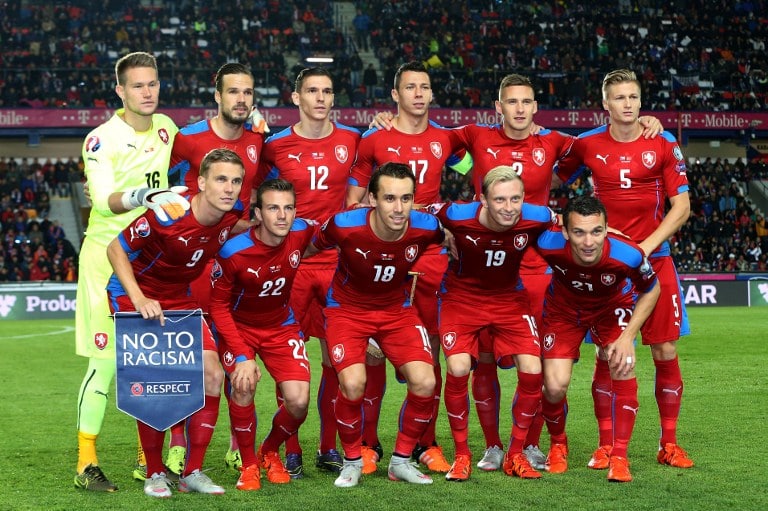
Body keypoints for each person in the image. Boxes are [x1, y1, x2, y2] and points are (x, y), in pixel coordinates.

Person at [556, 68, 694, 470]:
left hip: (656, 259)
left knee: (665, 350)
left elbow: (681, 207)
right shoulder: (586, 145)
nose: (629, 104)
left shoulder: (662, 141)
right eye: (620, 98)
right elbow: (549, 169)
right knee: (607, 352)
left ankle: (668, 443)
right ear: (605, 104)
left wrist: (644, 250)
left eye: (634, 97)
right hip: (606, 266)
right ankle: (604, 445)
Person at [73, 51, 186, 492]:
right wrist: (146, 196)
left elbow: (206, 150)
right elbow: (102, 200)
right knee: (105, 364)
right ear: (120, 90)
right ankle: (86, 462)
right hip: (105, 260)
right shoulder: (100, 139)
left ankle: (149, 457)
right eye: (137, 85)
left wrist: (250, 123)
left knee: (155, 363)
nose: (147, 92)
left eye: (153, 83)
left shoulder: (167, 128)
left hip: (153, 261)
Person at [346, 61, 465, 475]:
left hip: (429, 254)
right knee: (375, 350)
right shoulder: (374, 138)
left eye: (425, 87)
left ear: (432, 94)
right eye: (409, 87)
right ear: (395, 95)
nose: (418, 93)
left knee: (429, 348)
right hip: (384, 252)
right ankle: (368, 443)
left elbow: (478, 165)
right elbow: (352, 201)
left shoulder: (447, 142)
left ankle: (424, 443)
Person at [105, 148, 245, 498]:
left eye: (236, 181)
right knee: (151, 382)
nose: (229, 188)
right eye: (221, 179)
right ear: (200, 182)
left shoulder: (232, 216)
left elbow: (249, 223)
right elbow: (115, 249)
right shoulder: (168, 215)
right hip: (134, 293)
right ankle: (154, 472)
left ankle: (192, 472)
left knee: (212, 373)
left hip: (179, 297)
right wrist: (138, 300)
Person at [310, 163, 444, 488]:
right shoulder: (344, 225)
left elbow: (450, 235)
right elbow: (311, 246)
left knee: (425, 381)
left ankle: (400, 460)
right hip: (347, 310)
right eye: (389, 198)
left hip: (396, 310)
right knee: (353, 384)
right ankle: (353, 460)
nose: (398, 208)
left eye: (406, 198)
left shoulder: (427, 227)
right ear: (372, 199)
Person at [166, 62, 268, 475]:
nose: (241, 99)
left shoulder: (260, 141)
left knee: (234, 351)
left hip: (234, 261)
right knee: (185, 358)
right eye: (233, 92)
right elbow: (154, 182)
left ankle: (233, 444)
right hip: (188, 261)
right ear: (217, 96)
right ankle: (173, 441)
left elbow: (262, 192)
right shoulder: (187, 139)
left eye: (248, 92)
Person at [260, 67, 360, 477]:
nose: (320, 98)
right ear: (296, 97)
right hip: (293, 263)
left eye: (327, 91)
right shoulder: (275, 145)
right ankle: (292, 448)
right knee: (292, 357)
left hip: (338, 259)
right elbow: (256, 196)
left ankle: (327, 447)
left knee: (336, 360)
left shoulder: (353, 140)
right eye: (312, 91)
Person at [431, 167, 556, 481]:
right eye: (500, 200)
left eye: (515, 199)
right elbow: (417, 213)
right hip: (461, 298)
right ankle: (462, 455)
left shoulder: (537, 216)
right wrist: (439, 230)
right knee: (459, 368)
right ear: (482, 200)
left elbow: (569, 222)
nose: (509, 207)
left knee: (533, 370)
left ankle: (515, 453)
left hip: (509, 298)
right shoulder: (457, 214)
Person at [535, 195, 660, 482]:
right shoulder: (547, 243)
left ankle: (619, 456)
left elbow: (652, 289)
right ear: (565, 232)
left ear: (607, 229)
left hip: (610, 306)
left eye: (596, 231)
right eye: (578, 232)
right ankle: (558, 444)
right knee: (554, 387)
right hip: (563, 310)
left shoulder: (627, 254)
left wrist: (628, 335)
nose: (588, 241)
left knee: (622, 363)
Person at [208, 179, 316, 491]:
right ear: (258, 214)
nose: (282, 215)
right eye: (273, 208)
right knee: (243, 384)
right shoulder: (233, 252)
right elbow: (217, 306)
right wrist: (241, 354)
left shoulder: (301, 232)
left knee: (298, 402)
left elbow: (334, 232)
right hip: (239, 328)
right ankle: (249, 465)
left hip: (282, 326)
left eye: (288, 208)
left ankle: (268, 451)